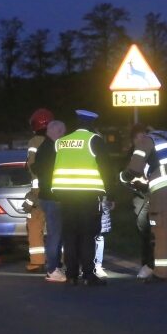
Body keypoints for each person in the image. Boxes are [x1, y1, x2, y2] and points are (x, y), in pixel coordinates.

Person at [51, 110, 114, 286]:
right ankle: (88, 275)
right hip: (88, 195)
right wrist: (110, 194)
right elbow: (106, 169)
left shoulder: (61, 142)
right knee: (87, 235)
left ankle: (71, 275)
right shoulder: (94, 140)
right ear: (91, 124)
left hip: (65, 195)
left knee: (70, 234)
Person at [120, 123, 167, 283]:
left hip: (164, 190)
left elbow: (135, 168)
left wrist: (123, 177)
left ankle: (162, 274)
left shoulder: (146, 141)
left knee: (161, 231)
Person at [33, 120, 67, 282]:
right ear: (55, 131)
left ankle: (55, 266)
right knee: (55, 235)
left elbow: (36, 168)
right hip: (53, 197)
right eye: (62, 132)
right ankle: (52, 269)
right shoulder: (50, 149)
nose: (63, 136)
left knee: (56, 234)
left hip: (48, 197)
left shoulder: (45, 148)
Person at [23, 108, 55, 272]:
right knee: (57, 228)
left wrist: (31, 197)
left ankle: (37, 262)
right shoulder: (59, 141)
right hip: (57, 192)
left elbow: (32, 167)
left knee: (35, 226)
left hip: (39, 193)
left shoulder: (34, 142)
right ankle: (61, 260)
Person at [124, 123, 155, 280]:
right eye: (138, 137)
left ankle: (151, 264)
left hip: (153, 194)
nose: (141, 140)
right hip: (140, 196)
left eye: (144, 136)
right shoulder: (132, 154)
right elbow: (127, 175)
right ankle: (147, 263)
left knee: (153, 231)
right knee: (143, 230)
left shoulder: (152, 152)